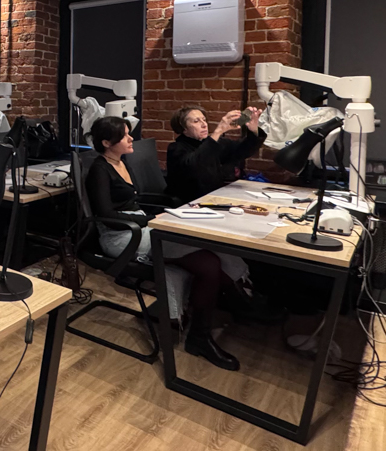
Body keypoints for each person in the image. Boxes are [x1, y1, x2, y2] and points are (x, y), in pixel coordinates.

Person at [85, 116, 248, 371]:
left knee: (210, 259)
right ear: (107, 143)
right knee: (208, 264)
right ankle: (203, 335)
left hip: (141, 227)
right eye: (125, 135)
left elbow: (133, 202)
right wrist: (151, 220)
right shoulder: (99, 169)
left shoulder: (121, 161)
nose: (131, 138)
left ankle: (229, 311)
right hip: (122, 237)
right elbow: (107, 215)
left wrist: (163, 216)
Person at [167, 106, 267, 203]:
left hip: (213, 199)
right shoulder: (176, 148)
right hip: (188, 203)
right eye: (196, 121)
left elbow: (242, 151)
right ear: (184, 128)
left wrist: (254, 130)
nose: (204, 124)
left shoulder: (213, 143)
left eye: (204, 120)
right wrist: (218, 131)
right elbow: (197, 164)